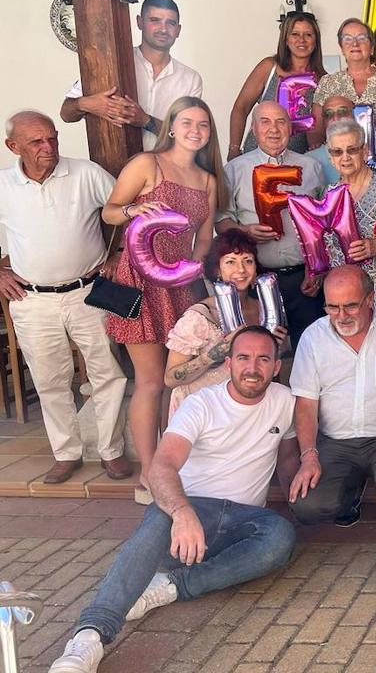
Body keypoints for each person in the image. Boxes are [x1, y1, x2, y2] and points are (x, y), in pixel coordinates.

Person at [48, 327, 297, 673]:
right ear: (228, 363)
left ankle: (167, 587)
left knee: (280, 536)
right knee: (160, 515)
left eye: (263, 359)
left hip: (244, 522)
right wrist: (182, 513)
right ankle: (89, 636)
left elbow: (287, 458)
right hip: (190, 522)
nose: (252, 367)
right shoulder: (202, 404)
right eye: (243, 358)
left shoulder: (285, 402)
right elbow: (162, 467)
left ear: (275, 367)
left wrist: (299, 480)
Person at [0, 111, 131, 484]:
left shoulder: (85, 173)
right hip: (32, 298)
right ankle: (66, 452)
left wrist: (118, 253)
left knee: (107, 372)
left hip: (87, 290)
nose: (48, 147)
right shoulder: (4, 185)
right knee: (49, 379)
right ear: (14, 147)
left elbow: (125, 210)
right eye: (37, 142)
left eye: (52, 139)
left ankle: (112, 451)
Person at [103, 96, 223, 502]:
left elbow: (204, 237)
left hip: (181, 285)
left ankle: (171, 465)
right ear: (171, 125)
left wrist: (193, 266)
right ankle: (149, 473)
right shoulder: (146, 164)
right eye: (187, 121)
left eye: (203, 124)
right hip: (139, 280)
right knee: (150, 381)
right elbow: (109, 212)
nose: (195, 130)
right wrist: (136, 209)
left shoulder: (207, 180)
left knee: (177, 381)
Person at [288, 266, 376, 531]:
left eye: (350, 306)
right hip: (335, 442)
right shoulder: (313, 337)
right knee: (307, 506)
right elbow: (306, 405)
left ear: (370, 299)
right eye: (332, 307)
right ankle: (349, 494)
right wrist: (309, 456)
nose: (341, 316)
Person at [216, 101, 326, 341]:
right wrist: (244, 231)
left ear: (290, 128)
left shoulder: (311, 167)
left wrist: (317, 269)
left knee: (308, 346)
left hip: (304, 279)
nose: (273, 129)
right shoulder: (234, 170)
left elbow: (324, 225)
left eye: (281, 121)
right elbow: (221, 221)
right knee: (262, 348)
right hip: (255, 280)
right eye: (265, 122)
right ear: (253, 129)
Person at [164, 229, 288, 414]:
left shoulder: (265, 310)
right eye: (230, 262)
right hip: (203, 411)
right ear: (217, 270)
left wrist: (282, 347)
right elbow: (171, 378)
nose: (241, 270)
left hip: (250, 408)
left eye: (248, 261)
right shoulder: (199, 317)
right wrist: (217, 353)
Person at [60, 0, 203, 151]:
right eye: (154, 20)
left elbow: (188, 135)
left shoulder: (191, 79)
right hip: (113, 166)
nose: (163, 29)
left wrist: (145, 121)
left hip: (166, 169)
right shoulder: (112, 63)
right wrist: (89, 104)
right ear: (139, 22)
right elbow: (66, 113)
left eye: (170, 23)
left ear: (178, 30)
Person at [321, 119, 376, 310]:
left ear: (365, 151)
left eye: (352, 150)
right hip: (346, 304)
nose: (345, 157)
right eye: (337, 152)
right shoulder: (329, 194)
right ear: (330, 157)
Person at [228, 11, 326, 158]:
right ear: (286, 39)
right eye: (295, 34)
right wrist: (234, 149)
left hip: (299, 163)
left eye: (308, 35)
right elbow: (240, 108)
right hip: (257, 158)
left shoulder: (323, 80)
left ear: (316, 40)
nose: (302, 40)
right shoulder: (269, 67)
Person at [312, 18, 376, 136]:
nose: (355, 43)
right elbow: (316, 131)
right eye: (348, 39)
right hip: (337, 153)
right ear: (342, 49)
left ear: (371, 48)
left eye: (361, 38)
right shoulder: (327, 83)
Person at [308, 95, 357, 185]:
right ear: (323, 122)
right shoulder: (309, 161)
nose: (336, 118)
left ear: (355, 115)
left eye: (343, 111)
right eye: (328, 114)